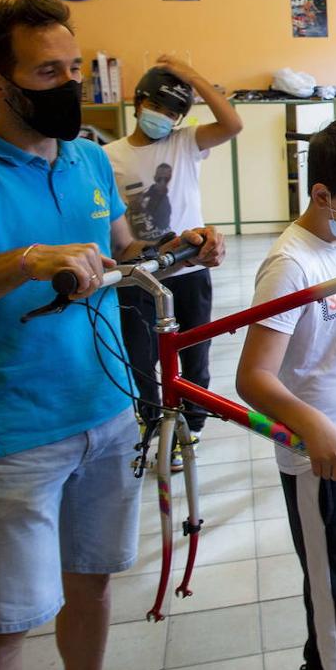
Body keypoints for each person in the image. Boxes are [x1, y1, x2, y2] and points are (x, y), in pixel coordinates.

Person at [0, 0, 224, 670]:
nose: (70, 85)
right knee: (10, 624)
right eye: (49, 73)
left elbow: (124, 255)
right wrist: (23, 262)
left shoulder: (86, 160)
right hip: (17, 435)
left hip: (107, 414)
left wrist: (182, 249)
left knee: (93, 584)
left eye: (75, 69)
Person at [236, 117, 336, 670]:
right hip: (325, 459)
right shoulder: (291, 264)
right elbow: (254, 377)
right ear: (321, 194)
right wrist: (315, 427)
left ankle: (323, 664)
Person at [105, 59, 242, 470]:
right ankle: (152, 427)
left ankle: (191, 430)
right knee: (142, 359)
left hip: (189, 270)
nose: (165, 119)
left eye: (173, 113)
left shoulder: (184, 143)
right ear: (139, 102)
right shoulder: (107, 156)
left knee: (195, 355)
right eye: (159, 108)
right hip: (137, 277)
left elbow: (232, 124)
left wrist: (193, 75)